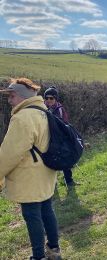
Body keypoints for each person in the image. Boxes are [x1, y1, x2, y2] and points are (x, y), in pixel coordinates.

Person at [0, 78, 62, 260]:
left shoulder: (22, 118)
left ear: (22, 96)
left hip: (29, 176)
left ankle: (38, 256)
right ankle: (54, 250)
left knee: (32, 215)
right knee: (47, 210)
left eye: (11, 96)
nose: (9, 100)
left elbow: (9, 153)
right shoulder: (42, 110)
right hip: (46, 171)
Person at [44, 86, 77, 187]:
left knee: (64, 160)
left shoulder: (60, 109)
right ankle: (53, 185)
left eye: (51, 98)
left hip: (60, 139)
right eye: (47, 98)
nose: (49, 100)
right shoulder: (42, 108)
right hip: (47, 140)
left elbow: (65, 123)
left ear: (56, 99)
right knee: (50, 162)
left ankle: (69, 181)